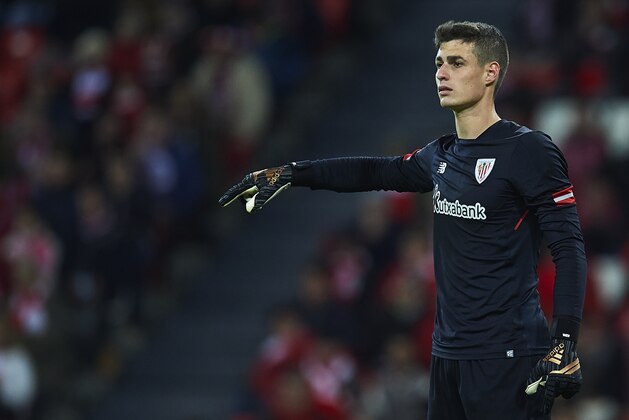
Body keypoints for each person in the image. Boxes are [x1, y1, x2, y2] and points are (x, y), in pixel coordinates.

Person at [219, 21, 586, 420]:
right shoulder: (441, 154)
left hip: (509, 356)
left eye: (457, 62)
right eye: (439, 62)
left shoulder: (529, 150)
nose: (442, 73)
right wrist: (291, 173)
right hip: (448, 357)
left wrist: (564, 340)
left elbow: (568, 247)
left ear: (490, 73)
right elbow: (373, 172)